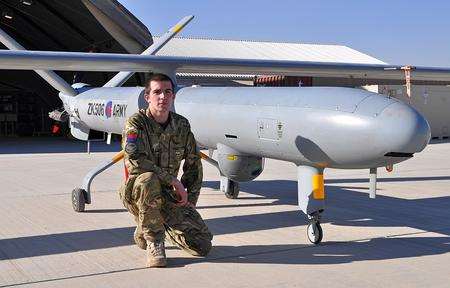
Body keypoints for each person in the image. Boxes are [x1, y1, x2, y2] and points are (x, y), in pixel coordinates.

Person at [118, 73, 212, 268]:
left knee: (202, 245)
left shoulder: (181, 125)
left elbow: (194, 164)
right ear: (147, 96)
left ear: (173, 96)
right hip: (138, 191)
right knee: (148, 179)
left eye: (167, 92)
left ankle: (151, 225)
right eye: (157, 92)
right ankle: (155, 241)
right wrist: (173, 181)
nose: (163, 96)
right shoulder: (136, 124)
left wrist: (190, 202)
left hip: (168, 196)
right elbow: (134, 161)